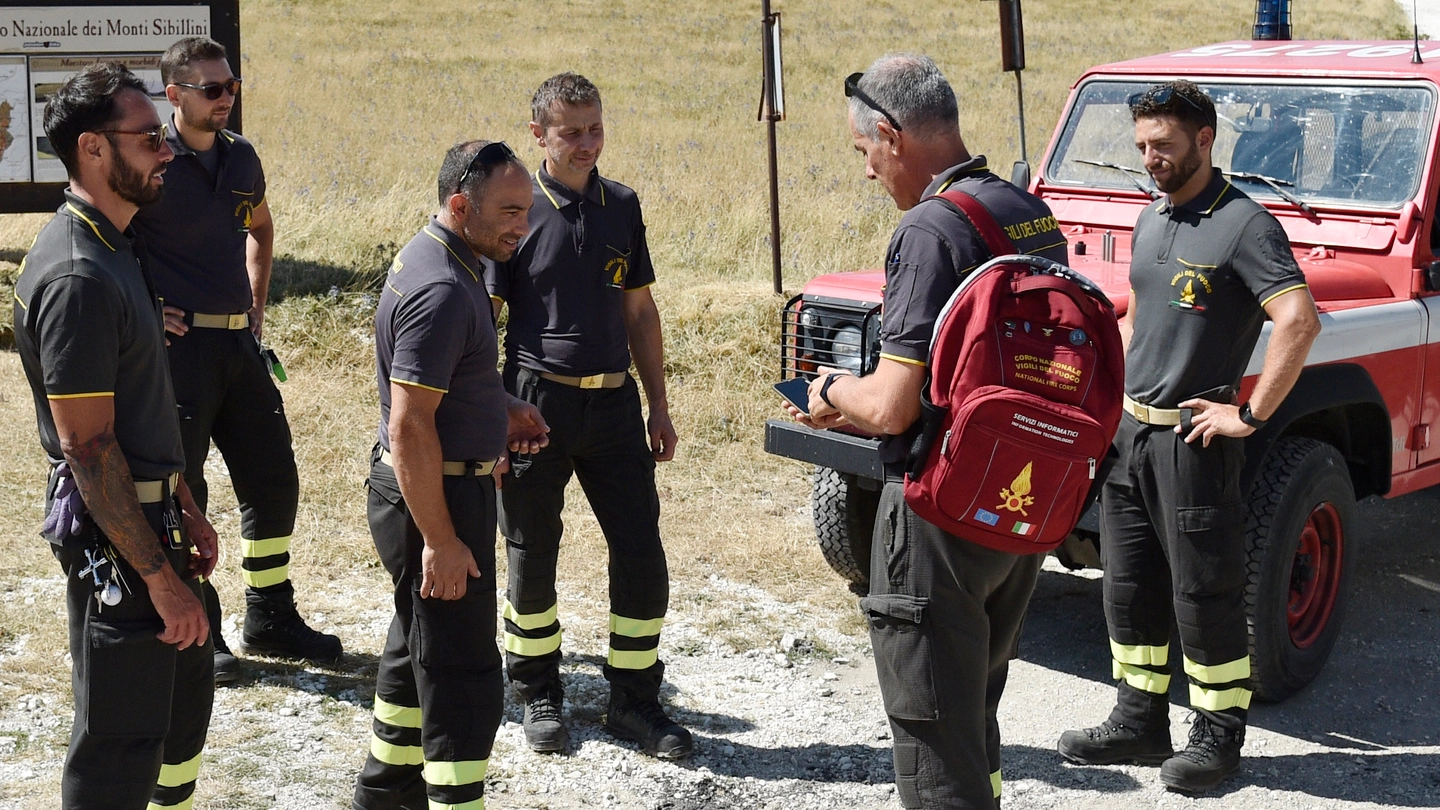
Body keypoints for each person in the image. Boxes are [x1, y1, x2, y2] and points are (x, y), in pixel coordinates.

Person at [789, 54, 1068, 809]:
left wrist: (827, 391)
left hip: (939, 512)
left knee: (931, 725)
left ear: (890, 132)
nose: (869, 172)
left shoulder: (928, 233)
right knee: (975, 702)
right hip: (1020, 501)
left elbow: (890, 408)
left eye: (865, 153)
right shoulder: (1025, 210)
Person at [1057, 80, 1320, 793]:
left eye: (1164, 146)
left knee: (1203, 595)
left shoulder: (1245, 225)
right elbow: (1138, 316)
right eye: (1142, 146)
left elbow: (1299, 319)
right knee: (1130, 584)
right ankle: (1139, 721)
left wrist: (1250, 414)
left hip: (1194, 445)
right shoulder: (1154, 217)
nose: (1150, 158)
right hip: (1131, 438)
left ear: (1205, 140)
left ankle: (1218, 739)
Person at [14, 61, 218, 810]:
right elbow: (89, 449)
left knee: (172, 714)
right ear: (94, 150)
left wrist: (185, 502)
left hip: (154, 516)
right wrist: (159, 582)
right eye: (148, 138)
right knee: (119, 743)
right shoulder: (77, 274)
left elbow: (139, 407)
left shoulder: (116, 244)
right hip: (119, 539)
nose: (167, 150)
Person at [484, 72, 691, 759]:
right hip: (534, 402)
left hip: (614, 406)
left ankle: (634, 701)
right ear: (538, 133)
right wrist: (489, 412)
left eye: (595, 128)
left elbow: (639, 310)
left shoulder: (622, 206)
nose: (585, 143)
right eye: (570, 131)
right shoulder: (514, 209)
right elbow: (484, 321)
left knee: (640, 550)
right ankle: (538, 692)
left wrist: (658, 404)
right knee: (531, 550)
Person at [128, 37, 341, 684]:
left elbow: (262, 227)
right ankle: (205, 627)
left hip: (239, 347)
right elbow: (105, 237)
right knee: (185, 487)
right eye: (211, 89)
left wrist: (256, 306)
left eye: (231, 87)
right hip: (179, 351)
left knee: (274, 479)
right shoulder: (150, 163)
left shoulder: (242, 158)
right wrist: (143, 307)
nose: (225, 99)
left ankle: (270, 613)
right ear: (174, 96)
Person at [354, 140, 549, 810]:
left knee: (416, 648)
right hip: (433, 499)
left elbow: (445, 383)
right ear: (460, 204)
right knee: (463, 679)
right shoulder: (442, 287)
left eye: (526, 210)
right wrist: (440, 540)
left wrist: (500, 406)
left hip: (434, 489)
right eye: (509, 211)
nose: (521, 225)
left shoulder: (448, 259)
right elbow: (410, 425)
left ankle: (385, 793)